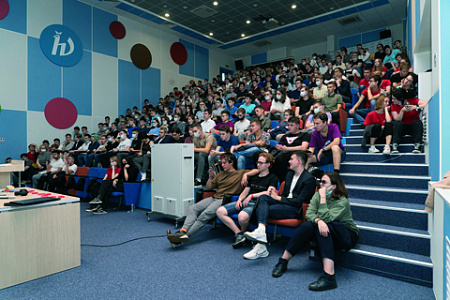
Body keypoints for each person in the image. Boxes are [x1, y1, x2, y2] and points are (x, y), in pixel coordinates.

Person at [271, 172, 358, 292]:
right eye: (320, 181)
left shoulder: (342, 201)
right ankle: (283, 261)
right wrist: (318, 220)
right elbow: (309, 214)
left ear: (334, 186)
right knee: (307, 225)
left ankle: (329, 277)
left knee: (325, 225)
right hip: (327, 229)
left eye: (324, 182)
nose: (320, 184)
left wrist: (322, 199)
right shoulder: (317, 196)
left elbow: (327, 218)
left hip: (346, 235)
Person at [166, 153, 258, 247]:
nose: (222, 165)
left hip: (224, 200)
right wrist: (211, 177)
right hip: (214, 197)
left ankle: (184, 236)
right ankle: (183, 231)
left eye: (224, 163)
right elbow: (209, 187)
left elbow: (257, 170)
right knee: (192, 208)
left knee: (204, 215)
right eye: (222, 163)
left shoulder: (240, 173)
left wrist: (246, 174)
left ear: (231, 163)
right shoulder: (220, 174)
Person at [243, 151, 316, 260]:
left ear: (299, 161)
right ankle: (261, 232)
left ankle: (260, 245)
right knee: (263, 198)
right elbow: (284, 194)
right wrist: (274, 194)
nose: (289, 161)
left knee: (263, 209)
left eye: (291, 159)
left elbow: (300, 202)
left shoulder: (309, 179)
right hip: (283, 204)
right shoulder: (289, 174)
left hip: (295, 210)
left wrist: (279, 198)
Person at [216, 153, 279, 248]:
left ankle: (243, 232)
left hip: (258, 204)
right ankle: (239, 234)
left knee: (242, 217)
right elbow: (246, 191)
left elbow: (269, 193)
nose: (258, 164)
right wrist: (239, 199)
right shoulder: (254, 177)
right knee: (220, 211)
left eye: (261, 163)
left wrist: (252, 196)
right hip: (245, 201)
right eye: (257, 162)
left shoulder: (273, 178)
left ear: (268, 165)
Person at [272, 117, 311, 182]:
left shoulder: (304, 135)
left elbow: (304, 147)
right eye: (288, 125)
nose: (289, 127)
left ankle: (283, 181)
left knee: (281, 158)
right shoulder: (285, 136)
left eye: (292, 125)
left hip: (297, 154)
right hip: (283, 154)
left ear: (298, 126)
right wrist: (278, 147)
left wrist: (287, 148)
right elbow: (280, 145)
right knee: (270, 159)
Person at [390, 89, 427, 154]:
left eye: (394, 99)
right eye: (392, 99)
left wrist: (415, 107)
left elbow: (426, 103)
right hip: (402, 127)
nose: (393, 101)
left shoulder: (412, 100)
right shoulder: (393, 105)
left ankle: (417, 145)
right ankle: (394, 146)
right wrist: (402, 111)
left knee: (417, 122)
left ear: (401, 98)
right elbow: (396, 119)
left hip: (413, 126)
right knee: (397, 123)